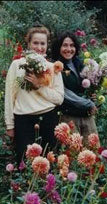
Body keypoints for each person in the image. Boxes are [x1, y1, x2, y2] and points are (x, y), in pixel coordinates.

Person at [5, 26, 64, 165]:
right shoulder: (17, 65)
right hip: (23, 120)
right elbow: (9, 96)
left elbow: (59, 98)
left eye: (42, 43)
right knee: (24, 163)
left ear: (47, 45)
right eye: (35, 43)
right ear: (28, 44)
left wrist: (39, 86)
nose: (39, 47)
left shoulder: (53, 67)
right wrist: (10, 125)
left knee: (46, 163)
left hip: (47, 119)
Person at [51, 31, 98, 145]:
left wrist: (92, 94)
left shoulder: (80, 64)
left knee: (92, 150)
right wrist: (88, 103)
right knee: (73, 152)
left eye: (72, 45)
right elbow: (64, 93)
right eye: (65, 45)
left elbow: (86, 87)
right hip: (68, 116)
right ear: (58, 47)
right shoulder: (55, 67)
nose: (69, 49)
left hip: (86, 115)